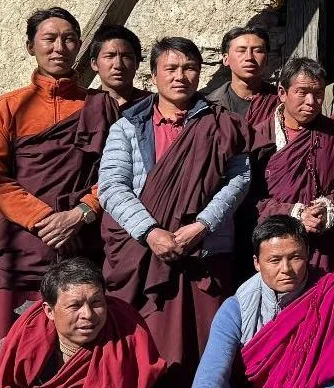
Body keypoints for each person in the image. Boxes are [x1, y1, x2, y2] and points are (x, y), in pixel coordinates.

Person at [98, 37, 251, 382]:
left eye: (189, 68)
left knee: (207, 350)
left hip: (205, 253)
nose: (180, 76)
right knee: (146, 353)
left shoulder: (222, 124)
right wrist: (150, 232)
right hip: (144, 255)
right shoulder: (128, 126)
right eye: (170, 68)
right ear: (154, 75)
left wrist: (203, 225)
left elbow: (239, 180)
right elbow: (112, 186)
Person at [0, 7, 106, 352]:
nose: (59, 47)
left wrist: (82, 212)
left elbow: (115, 173)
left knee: (81, 330)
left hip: (81, 237)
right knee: (14, 343)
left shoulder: (99, 106)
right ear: (30, 46)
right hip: (25, 240)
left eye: (69, 39)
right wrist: (46, 220)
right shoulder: (6, 107)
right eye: (49, 39)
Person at [194, 215, 334, 387]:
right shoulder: (236, 308)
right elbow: (210, 375)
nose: (286, 269)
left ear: (307, 254)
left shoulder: (331, 294)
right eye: (275, 260)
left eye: (295, 257)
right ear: (257, 263)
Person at [0, 258, 166, 388]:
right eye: (75, 306)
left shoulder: (128, 336)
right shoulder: (26, 336)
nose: (88, 315)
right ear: (49, 311)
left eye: (96, 303)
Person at [247, 57, 334, 275]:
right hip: (275, 246)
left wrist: (327, 208)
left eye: (318, 93)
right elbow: (248, 198)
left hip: (323, 247)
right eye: (302, 92)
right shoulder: (259, 137)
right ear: (282, 92)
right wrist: (295, 213)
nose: (311, 101)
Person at [208, 26, 280, 125]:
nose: (249, 57)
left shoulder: (281, 101)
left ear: (267, 58)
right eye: (241, 51)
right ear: (226, 59)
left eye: (258, 51)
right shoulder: (210, 105)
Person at [89, 24, 150, 106]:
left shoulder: (156, 106)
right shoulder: (83, 106)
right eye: (110, 56)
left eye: (126, 57)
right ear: (94, 64)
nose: (118, 65)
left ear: (137, 63)